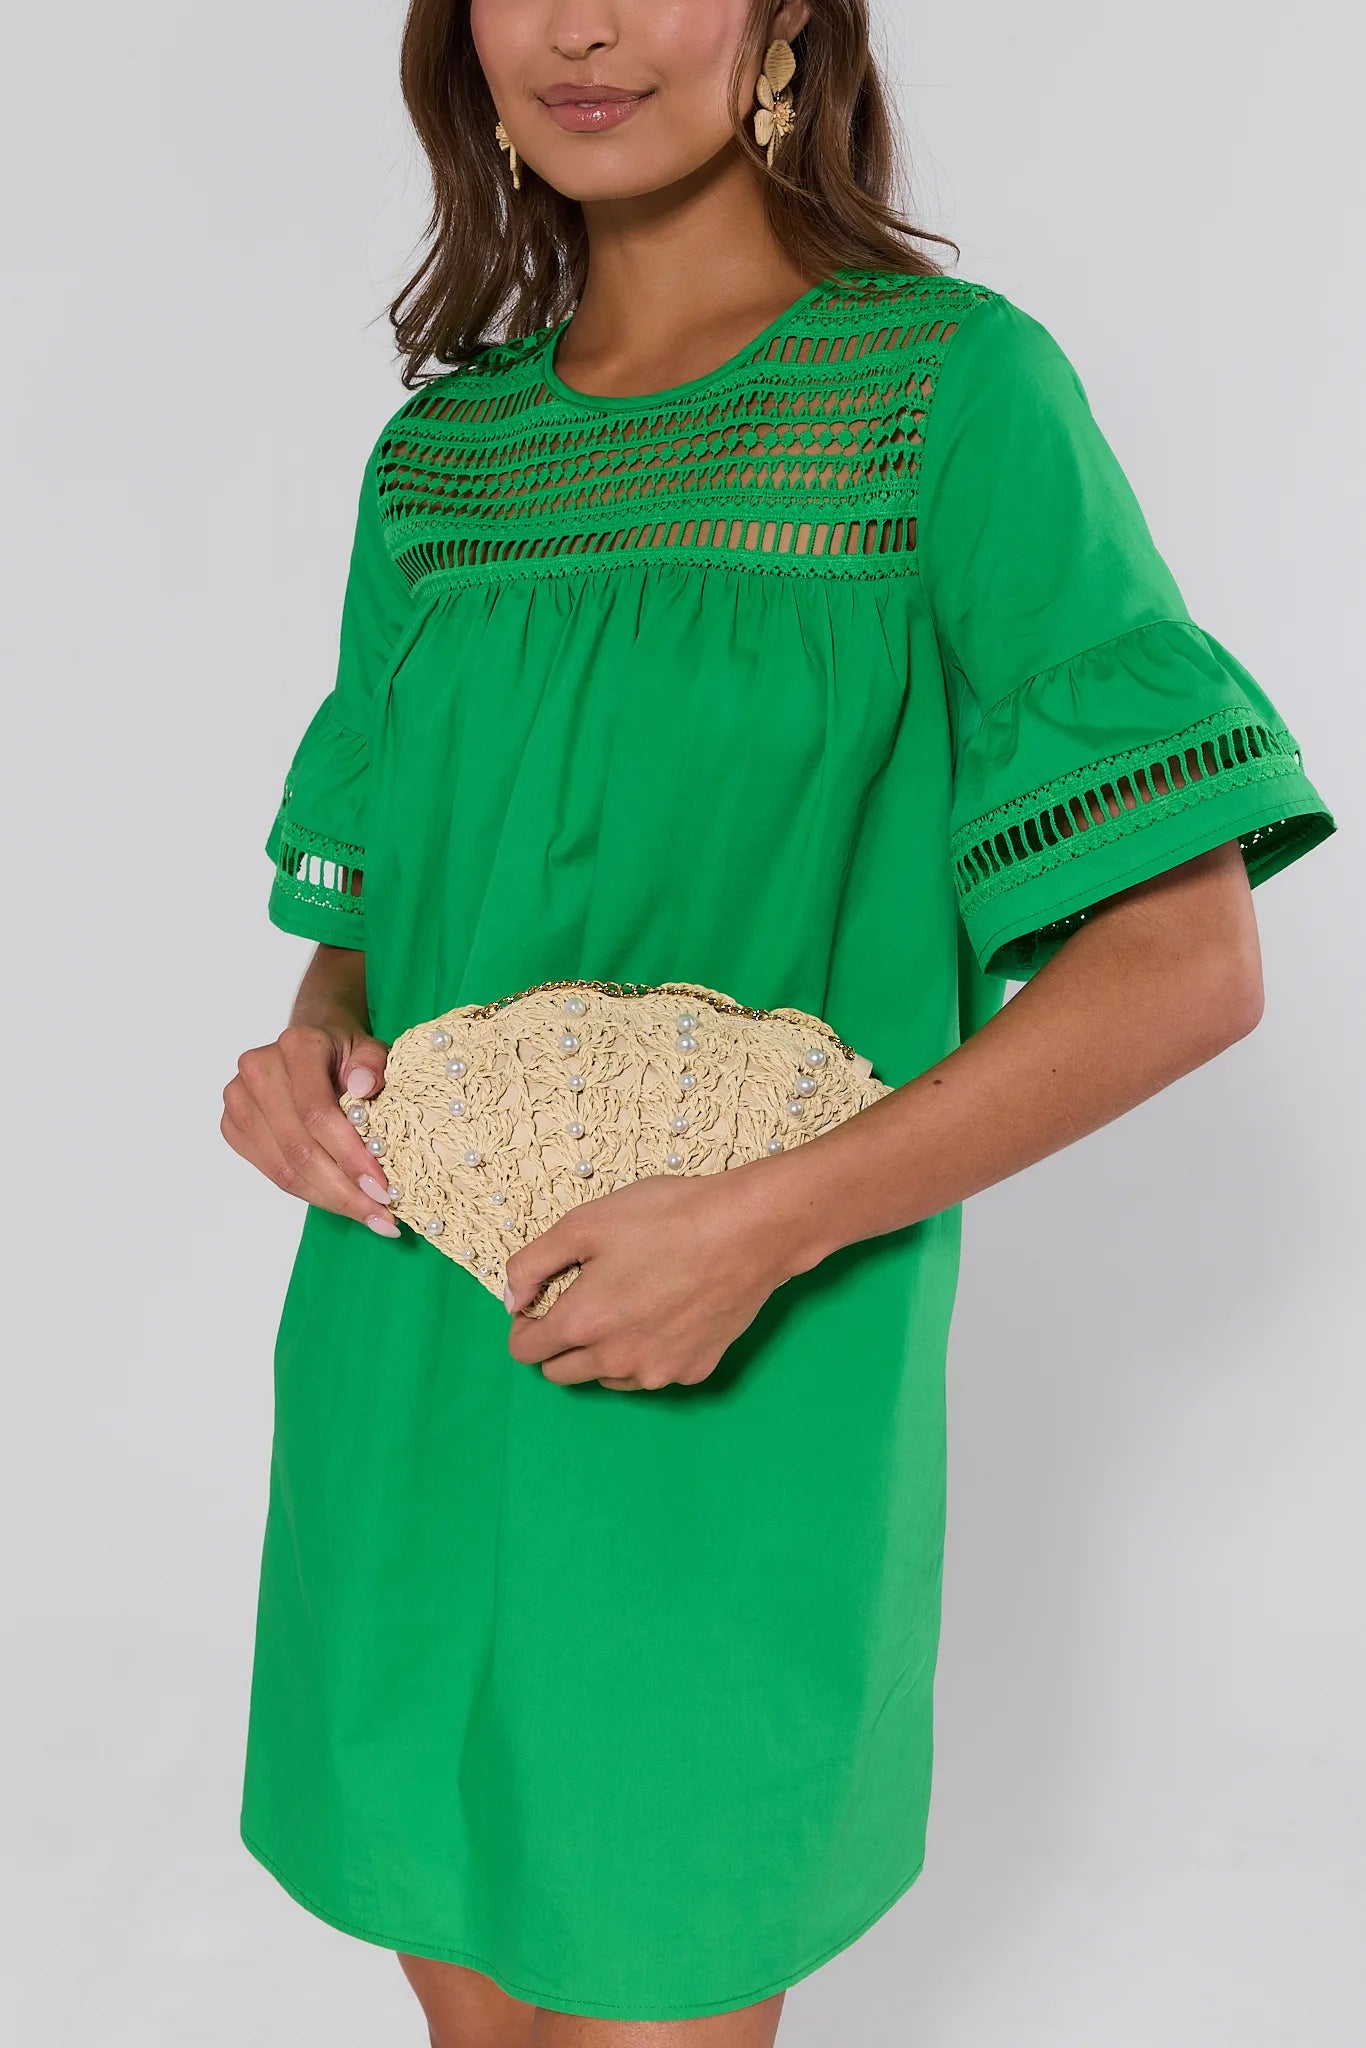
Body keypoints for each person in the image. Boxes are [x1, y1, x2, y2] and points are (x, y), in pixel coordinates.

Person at [219, 3, 1336, 2043]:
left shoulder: (947, 399)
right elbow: (382, 929)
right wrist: (304, 1054)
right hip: (410, 1353)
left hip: (735, 1369)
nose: (576, 24)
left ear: (783, 27)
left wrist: (760, 1226)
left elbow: (1184, 957)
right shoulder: (439, 469)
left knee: (656, 1988)